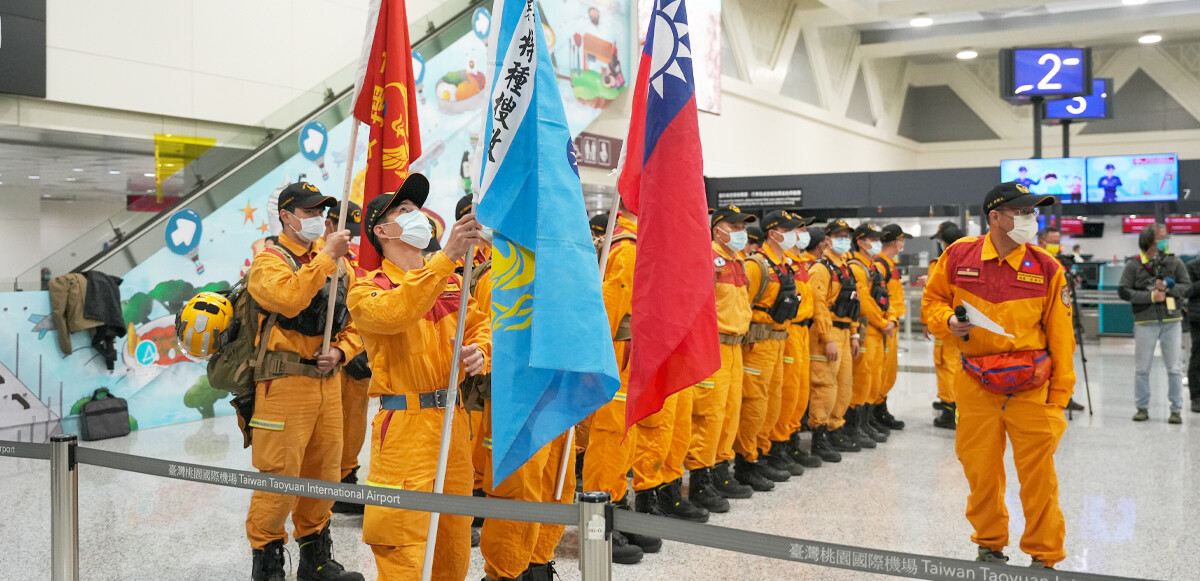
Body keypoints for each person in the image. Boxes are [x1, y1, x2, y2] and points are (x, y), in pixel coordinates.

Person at [922, 182, 1075, 568]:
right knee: (980, 470)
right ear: (995, 217)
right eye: (1022, 212)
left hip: (1030, 388)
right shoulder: (959, 256)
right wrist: (945, 322)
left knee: (1038, 477)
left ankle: (1044, 555)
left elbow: (1062, 339)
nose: (1031, 219)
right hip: (974, 383)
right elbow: (933, 301)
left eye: (1033, 212)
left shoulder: (1047, 267)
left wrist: (1058, 401)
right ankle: (989, 545)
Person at [346, 174, 490, 580]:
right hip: (405, 431)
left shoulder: (453, 283)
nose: (418, 216)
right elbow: (399, 312)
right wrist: (445, 259)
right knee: (405, 550)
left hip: (454, 424)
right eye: (405, 211)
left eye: (417, 209)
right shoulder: (366, 290)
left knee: (453, 544)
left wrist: (481, 352)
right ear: (382, 230)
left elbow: (480, 325)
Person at [245, 182, 364, 581]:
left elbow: (358, 319)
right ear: (286, 215)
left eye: (322, 213)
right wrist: (326, 258)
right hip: (284, 385)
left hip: (327, 383)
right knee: (280, 479)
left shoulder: (338, 264)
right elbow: (289, 298)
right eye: (310, 212)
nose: (319, 220)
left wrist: (342, 352)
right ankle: (267, 565)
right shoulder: (269, 261)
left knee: (324, 474)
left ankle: (315, 560)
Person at [582, 204, 662, 564]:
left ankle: (615, 511)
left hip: (628, 357)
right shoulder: (627, 247)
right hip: (616, 356)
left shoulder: (631, 242)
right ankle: (596, 529)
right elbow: (609, 311)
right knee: (610, 440)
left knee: (621, 440)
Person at [685, 205, 756, 514]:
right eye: (735, 225)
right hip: (713, 347)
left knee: (729, 412)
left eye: (744, 226)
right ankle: (700, 481)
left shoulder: (737, 261)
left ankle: (720, 471)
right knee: (709, 415)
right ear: (717, 229)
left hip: (736, 347)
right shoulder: (708, 259)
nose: (741, 232)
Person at [734, 210, 802, 490]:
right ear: (773, 233)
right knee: (753, 403)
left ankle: (760, 453)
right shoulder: (756, 265)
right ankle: (745, 460)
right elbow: (743, 307)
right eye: (789, 230)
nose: (795, 235)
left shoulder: (785, 265)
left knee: (771, 403)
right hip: (758, 344)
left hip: (778, 340)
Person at [322, 201, 373, 516]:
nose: (351, 240)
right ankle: (332, 482)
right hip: (326, 355)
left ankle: (346, 477)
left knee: (354, 420)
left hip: (354, 352)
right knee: (331, 424)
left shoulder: (355, 261)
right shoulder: (319, 256)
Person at [1118, 223, 1191, 424]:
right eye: (1161, 237)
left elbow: (1186, 286)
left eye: (1167, 237)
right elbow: (1123, 291)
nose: (1165, 241)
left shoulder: (1175, 263)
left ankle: (1176, 409)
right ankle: (1142, 407)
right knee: (1142, 368)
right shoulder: (1134, 265)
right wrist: (1150, 296)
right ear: (1149, 241)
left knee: (1174, 368)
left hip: (1172, 321)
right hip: (1145, 322)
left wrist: (1168, 290)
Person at [807, 219, 861, 455]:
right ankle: (819, 434)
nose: (844, 240)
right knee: (825, 386)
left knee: (844, 385)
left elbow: (853, 304)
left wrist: (854, 334)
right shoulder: (820, 269)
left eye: (847, 236)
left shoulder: (846, 267)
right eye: (838, 236)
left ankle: (835, 427)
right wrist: (828, 338)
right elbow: (818, 307)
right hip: (825, 336)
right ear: (827, 240)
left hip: (844, 333)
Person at [773, 213, 823, 470]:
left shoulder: (801, 263)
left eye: (802, 229)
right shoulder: (783, 264)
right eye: (794, 229)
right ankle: (779, 445)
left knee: (801, 392)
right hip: (789, 331)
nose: (800, 234)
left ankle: (790, 440)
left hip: (803, 332)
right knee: (788, 391)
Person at [846, 224, 890, 448]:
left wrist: (889, 318)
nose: (878, 243)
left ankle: (865, 421)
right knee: (862, 378)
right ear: (861, 242)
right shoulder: (856, 268)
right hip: (867, 329)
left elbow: (884, 296)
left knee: (874, 377)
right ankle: (854, 426)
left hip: (877, 331)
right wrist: (883, 322)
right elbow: (864, 302)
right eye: (873, 239)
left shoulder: (873, 266)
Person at [1037, 226, 1085, 413]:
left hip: (1065, 316)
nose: (1056, 246)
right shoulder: (1036, 263)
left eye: (1058, 242)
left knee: (1065, 357)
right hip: (1044, 321)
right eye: (1053, 242)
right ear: (1042, 242)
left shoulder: (1061, 263)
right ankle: (1045, 395)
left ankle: (1065, 395)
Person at [925, 221, 964, 430]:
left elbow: (932, 297)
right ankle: (957, 406)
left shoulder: (942, 263)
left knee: (946, 366)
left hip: (945, 322)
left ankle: (950, 408)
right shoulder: (971, 261)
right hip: (966, 324)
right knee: (959, 366)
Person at [872, 224, 911, 431]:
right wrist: (887, 320)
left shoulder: (890, 264)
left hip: (892, 324)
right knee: (879, 372)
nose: (902, 244)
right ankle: (874, 412)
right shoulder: (880, 265)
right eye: (902, 241)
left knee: (888, 372)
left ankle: (880, 408)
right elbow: (879, 299)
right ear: (897, 242)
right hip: (884, 326)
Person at [1187, 255, 1200, 413]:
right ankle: (1196, 396)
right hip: (1198, 318)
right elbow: (1187, 290)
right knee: (1197, 356)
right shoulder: (1191, 266)